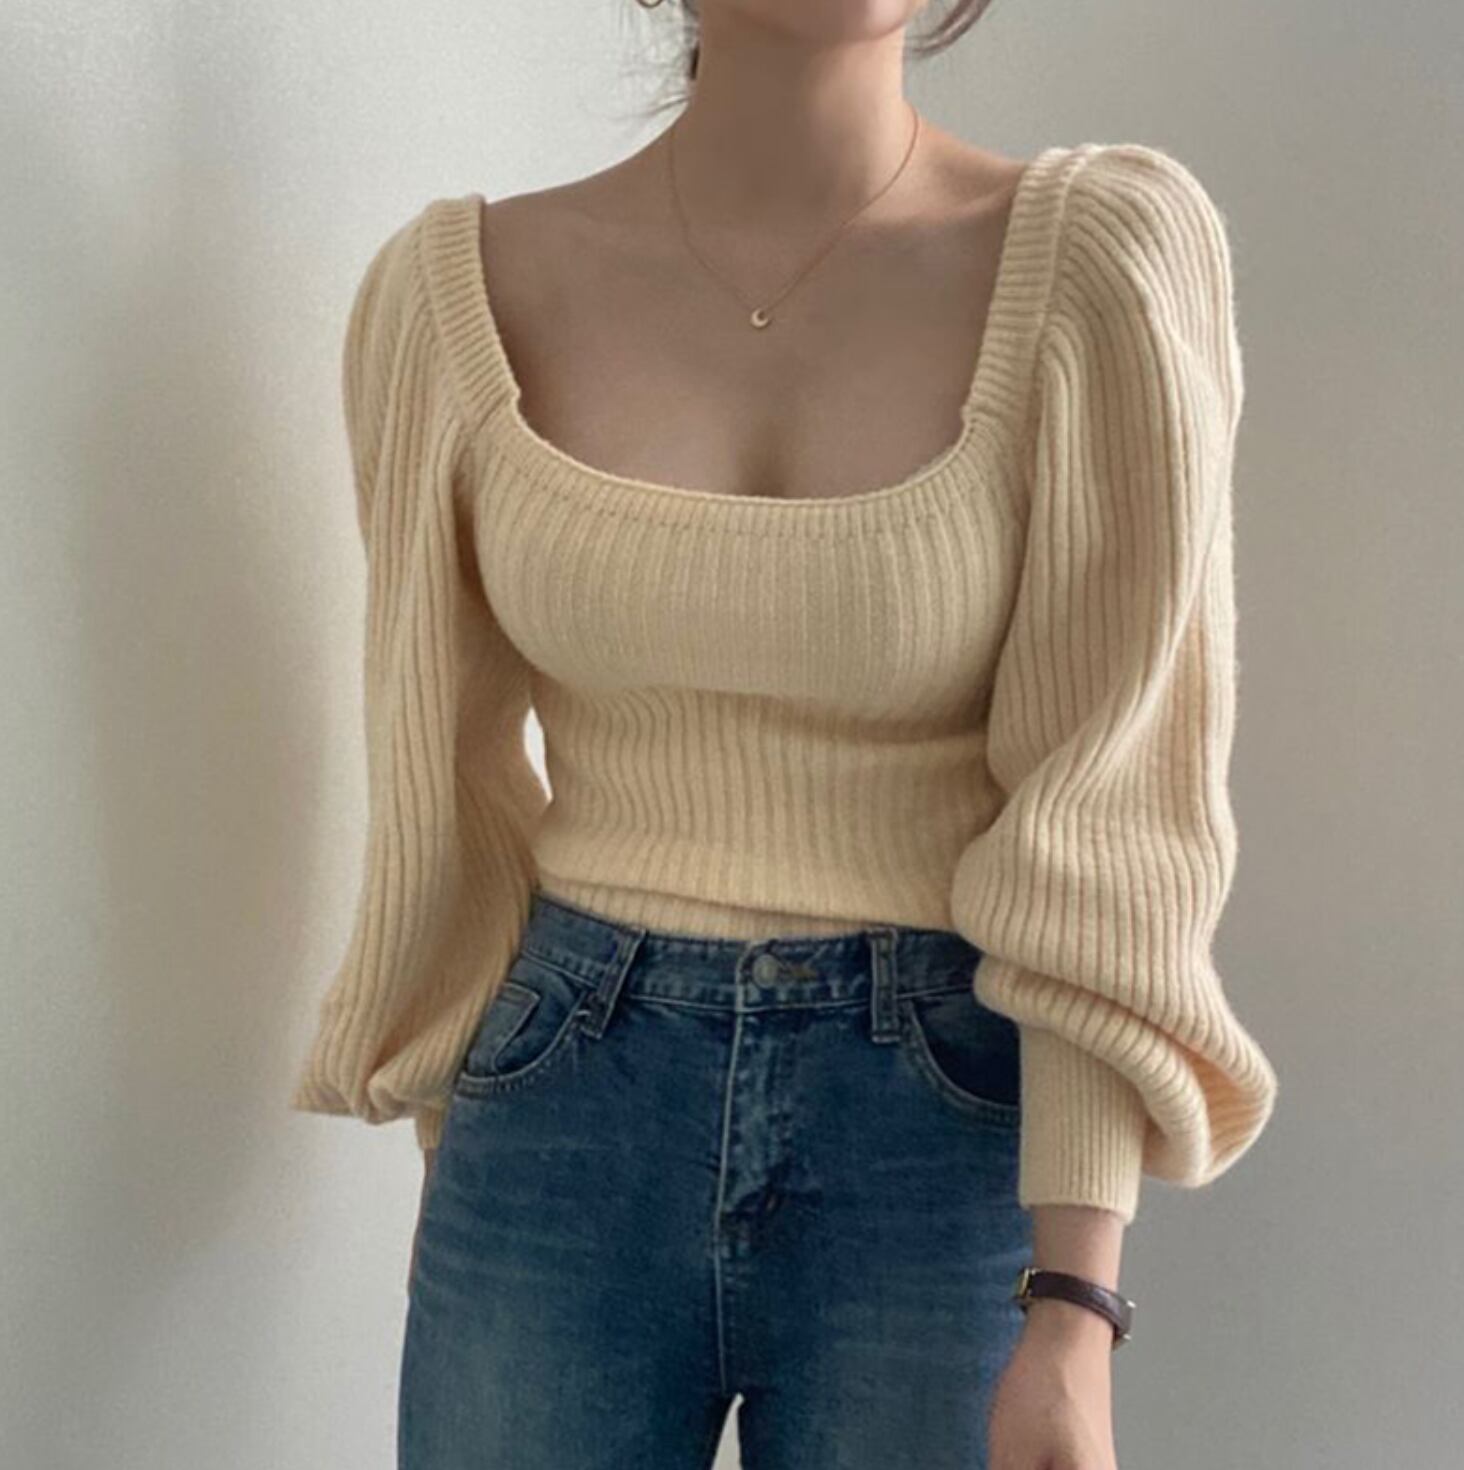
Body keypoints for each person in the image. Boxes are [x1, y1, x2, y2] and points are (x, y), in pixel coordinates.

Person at [290, 2, 1279, 1466]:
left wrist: (1076, 1304)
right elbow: (447, 786)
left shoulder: (1094, 263)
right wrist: (465, 1152)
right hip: (564, 1107)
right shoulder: (456, 297)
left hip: (940, 1123)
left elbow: (1112, 805)